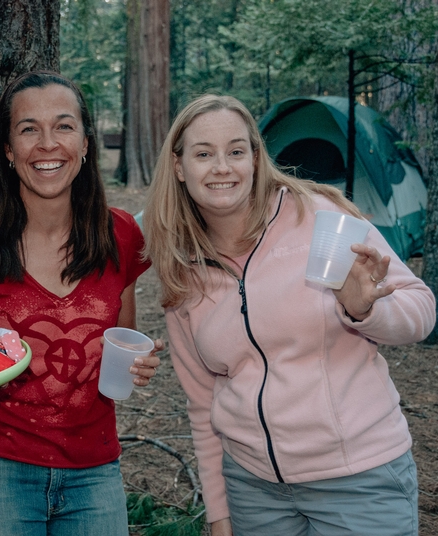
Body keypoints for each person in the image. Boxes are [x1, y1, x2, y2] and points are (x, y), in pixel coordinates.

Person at [142, 94, 436, 536]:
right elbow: (203, 402)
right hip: (254, 491)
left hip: (358, 479)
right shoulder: (184, 268)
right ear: (180, 168)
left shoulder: (318, 217)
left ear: (256, 160)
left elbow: (421, 310)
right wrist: (220, 511)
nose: (223, 167)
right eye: (204, 154)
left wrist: (365, 309)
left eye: (236, 151)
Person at [0, 71, 163, 535]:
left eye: (63, 126)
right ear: (7, 149)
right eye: (28, 129)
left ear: (84, 144)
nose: (47, 144)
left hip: (95, 471)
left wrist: (134, 364)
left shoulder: (120, 235)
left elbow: (119, 343)